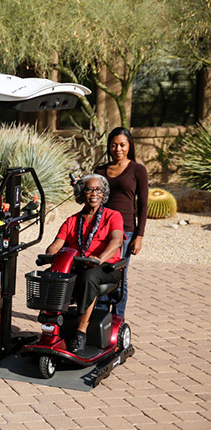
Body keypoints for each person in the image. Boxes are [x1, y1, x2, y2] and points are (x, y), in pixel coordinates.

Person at [45, 174, 124, 353]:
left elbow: (116, 241)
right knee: (52, 274)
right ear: (82, 193)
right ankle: (52, 326)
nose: (94, 193)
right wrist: (50, 254)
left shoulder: (113, 216)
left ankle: (81, 331)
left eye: (98, 190)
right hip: (79, 263)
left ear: (104, 194)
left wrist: (99, 259)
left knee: (88, 277)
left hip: (107, 267)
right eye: (89, 189)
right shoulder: (72, 220)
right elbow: (57, 243)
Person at [94, 127, 148, 316]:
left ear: (129, 145)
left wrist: (139, 235)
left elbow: (142, 205)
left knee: (119, 276)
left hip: (125, 231)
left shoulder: (138, 170)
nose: (118, 149)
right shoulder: (100, 170)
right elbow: (93, 197)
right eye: (114, 145)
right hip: (101, 228)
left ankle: (117, 320)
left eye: (122, 145)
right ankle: (100, 319)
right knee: (99, 273)